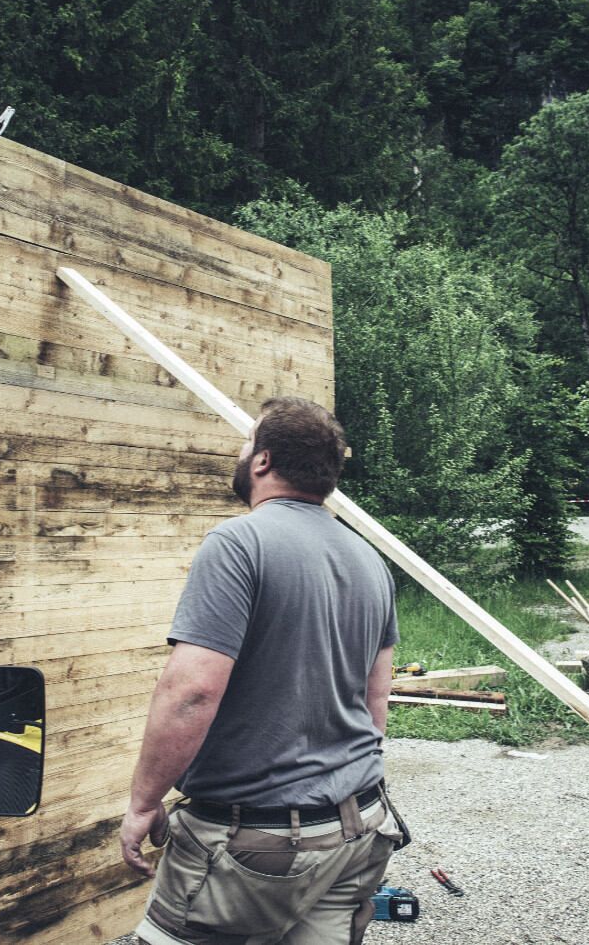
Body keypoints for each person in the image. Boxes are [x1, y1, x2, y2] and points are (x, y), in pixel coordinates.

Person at [120, 397, 405, 945]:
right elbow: (376, 703)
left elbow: (192, 693)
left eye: (246, 441)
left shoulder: (238, 543)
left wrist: (144, 803)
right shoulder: (369, 559)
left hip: (261, 842)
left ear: (262, 461)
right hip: (361, 828)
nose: (242, 450)